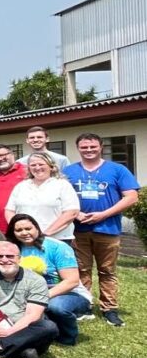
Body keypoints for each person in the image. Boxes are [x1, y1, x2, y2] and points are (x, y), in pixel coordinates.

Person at [62, 133, 140, 327]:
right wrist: (76, 213)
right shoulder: (69, 171)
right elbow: (60, 196)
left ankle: (109, 309)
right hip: (78, 229)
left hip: (108, 228)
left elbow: (131, 197)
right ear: (78, 148)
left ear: (101, 147)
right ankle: (84, 305)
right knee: (81, 270)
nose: (89, 150)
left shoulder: (117, 169)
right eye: (84, 147)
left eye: (93, 147)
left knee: (107, 270)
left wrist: (104, 214)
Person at [5, 214, 91, 345]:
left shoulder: (57, 247)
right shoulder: (13, 249)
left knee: (56, 307)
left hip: (67, 293)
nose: (24, 233)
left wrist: (42, 296)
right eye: (19, 230)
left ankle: (67, 336)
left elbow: (72, 281)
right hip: (29, 292)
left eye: (28, 228)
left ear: (37, 228)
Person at [5, 152, 80, 242]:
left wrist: (45, 234)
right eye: (33, 165)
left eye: (41, 164)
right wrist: (18, 229)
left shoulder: (62, 185)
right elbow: (9, 210)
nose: (37, 168)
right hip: (25, 239)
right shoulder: (21, 186)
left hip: (56, 239)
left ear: (51, 167)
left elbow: (72, 212)